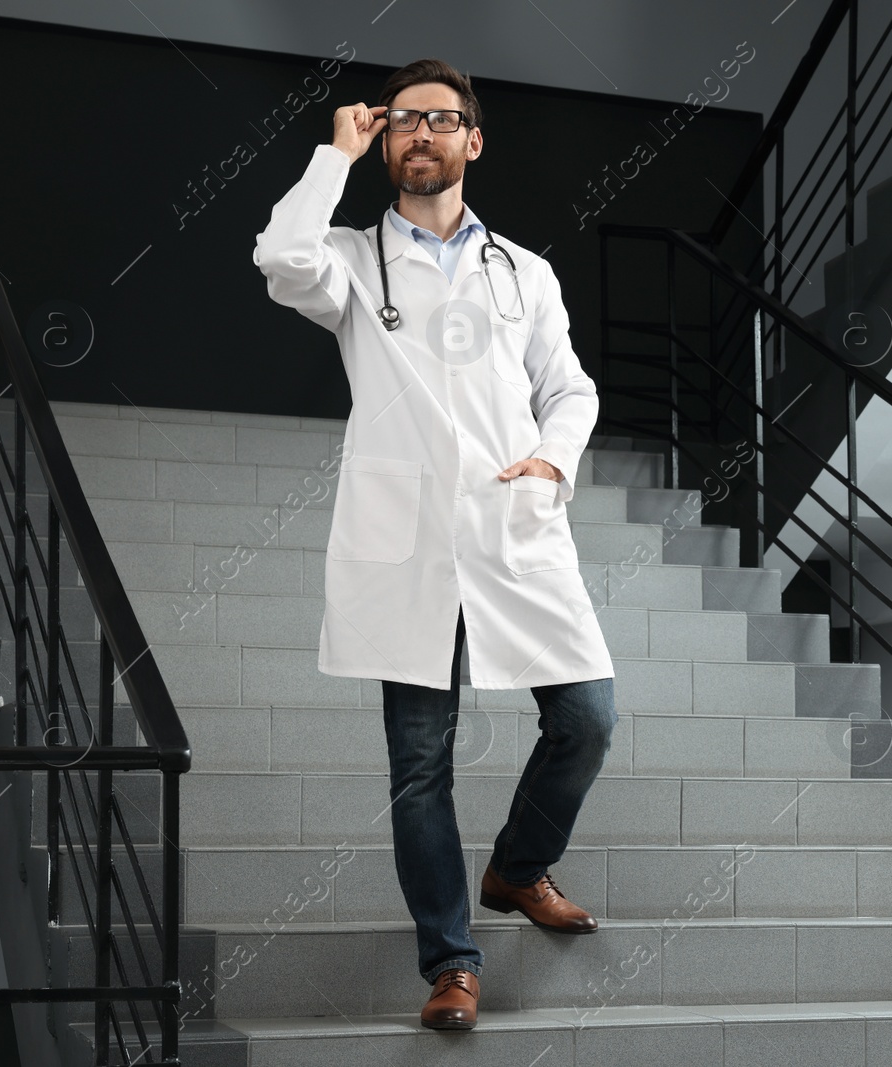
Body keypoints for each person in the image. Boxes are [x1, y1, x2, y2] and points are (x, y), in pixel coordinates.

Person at [253, 57, 618, 1031]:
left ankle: (518, 866)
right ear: (386, 140)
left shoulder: (523, 273)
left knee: (587, 715)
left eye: (441, 119)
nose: (422, 134)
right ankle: (451, 962)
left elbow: (571, 387)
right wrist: (333, 154)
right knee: (421, 765)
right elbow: (281, 260)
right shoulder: (349, 260)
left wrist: (550, 462)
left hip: (513, 532)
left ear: (472, 139)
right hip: (404, 541)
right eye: (404, 121)